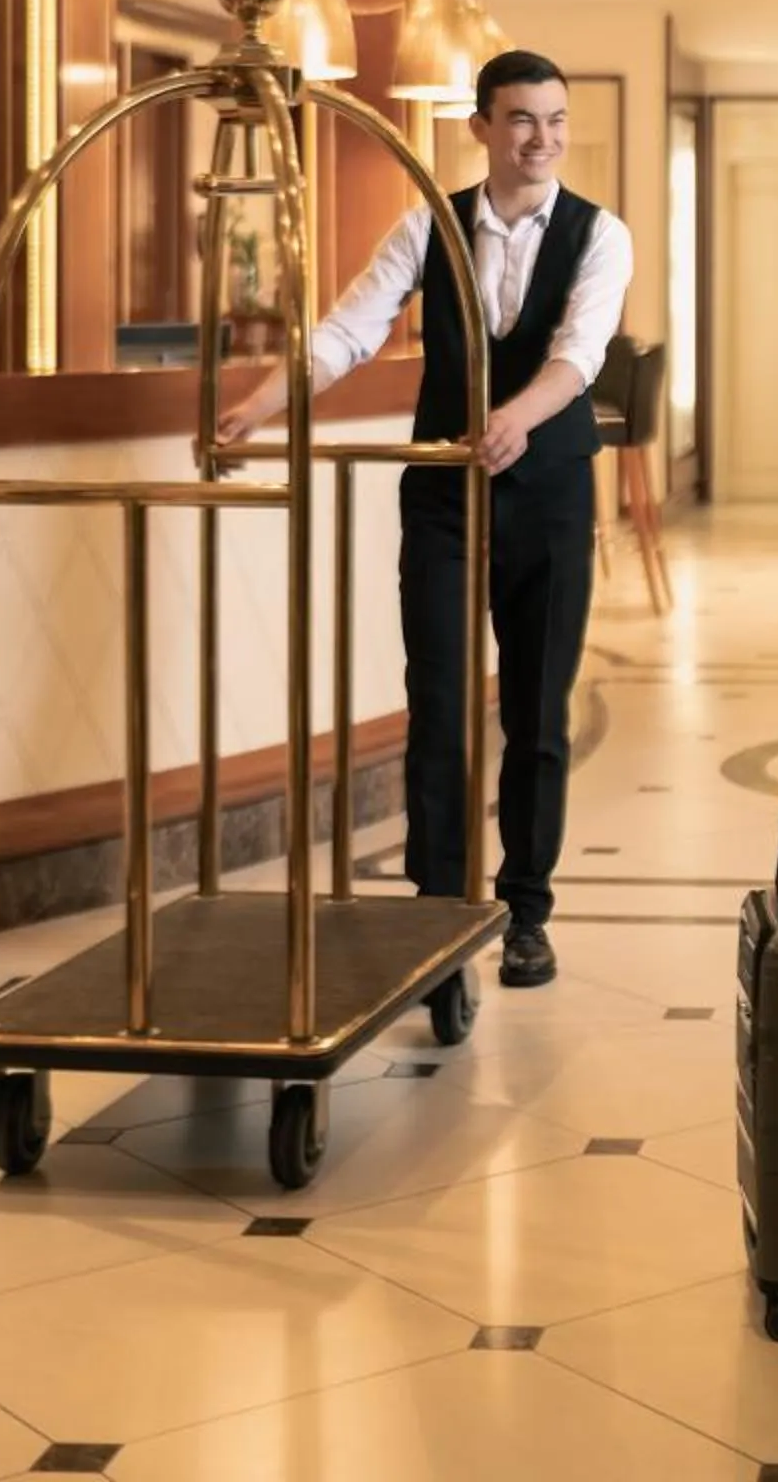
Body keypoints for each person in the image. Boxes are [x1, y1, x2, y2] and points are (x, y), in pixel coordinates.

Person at [222, 50, 633, 989]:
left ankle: (526, 909)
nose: (543, 140)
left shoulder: (601, 235)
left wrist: (516, 421)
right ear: (481, 127)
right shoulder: (428, 225)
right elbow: (346, 330)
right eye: (523, 120)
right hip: (445, 495)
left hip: (551, 493)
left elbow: (580, 353)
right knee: (440, 703)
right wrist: (262, 402)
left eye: (556, 120)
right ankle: (439, 914)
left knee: (536, 712)